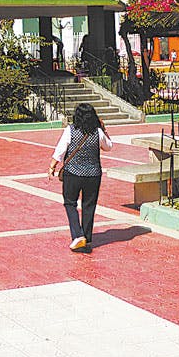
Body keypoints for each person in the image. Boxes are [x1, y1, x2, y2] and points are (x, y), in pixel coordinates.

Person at [49, 103, 112, 253]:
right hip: (93, 174)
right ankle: (87, 238)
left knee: (70, 203)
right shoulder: (97, 132)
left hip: (73, 173)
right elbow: (109, 146)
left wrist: (52, 166)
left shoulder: (70, 130)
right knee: (89, 205)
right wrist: (104, 130)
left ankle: (78, 235)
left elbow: (60, 150)